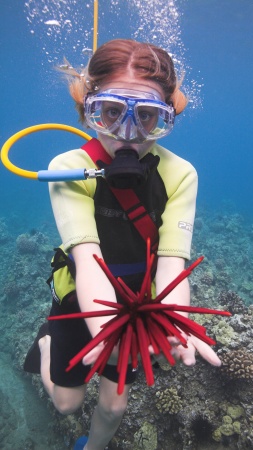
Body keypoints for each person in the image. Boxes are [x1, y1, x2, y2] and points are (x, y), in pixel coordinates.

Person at [24, 38, 222, 450]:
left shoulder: (180, 174)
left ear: (168, 117)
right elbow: (88, 259)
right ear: (88, 110)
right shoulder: (68, 168)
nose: (128, 135)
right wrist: (106, 336)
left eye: (148, 117)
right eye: (111, 113)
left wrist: (174, 324)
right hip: (81, 300)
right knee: (66, 404)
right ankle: (46, 340)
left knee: (114, 408)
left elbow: (172, 262)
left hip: (137, 306)